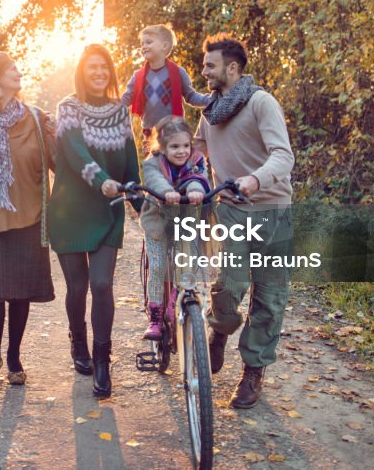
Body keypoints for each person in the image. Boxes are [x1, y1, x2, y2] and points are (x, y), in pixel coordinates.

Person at [194, 34, 294, 409]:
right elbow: (196, 151)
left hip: (273, 210)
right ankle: (219, 328)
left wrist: (256, 179)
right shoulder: (209, 111)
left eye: (210, 65)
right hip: (232, 208)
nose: (204, 71)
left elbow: (283, 156)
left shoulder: (261, 103)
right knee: (229, 285)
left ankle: (253, 370)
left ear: (232, 68)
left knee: (270, 299)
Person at [48, 44, 140, 398]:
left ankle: (103, 359)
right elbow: (74, 152)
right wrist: (101, 180)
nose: (99, 73)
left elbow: (131, 156)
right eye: (92, 68)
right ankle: (78, 341)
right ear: (82, 72)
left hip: (108, 209)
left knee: (102, 284)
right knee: (77, 287)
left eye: (104, 67)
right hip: (70, 210)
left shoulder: (120, 110)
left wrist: (138, 197)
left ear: (111, 73)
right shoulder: (68, 108)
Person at [0, 52, 56, 389]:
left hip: (30, 214)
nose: (19, 73)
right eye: (11, 70)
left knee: (20, 291)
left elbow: (57, 161)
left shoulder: (35, 118)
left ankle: (14, 356)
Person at [137, 115, 209, 340]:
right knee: (158, 267)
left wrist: (195, 189)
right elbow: (154, 179)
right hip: (158, 222)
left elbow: (198, 177)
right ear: (162, 147)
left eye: (186, 145)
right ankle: (156, 316)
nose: (181, 151)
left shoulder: (196, 160)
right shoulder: (152, 162)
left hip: (184, 221)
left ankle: (175, 299)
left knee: (186, 263)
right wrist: (167, 192)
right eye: (175, 146)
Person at [121, 24, 209, 140]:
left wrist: (209, 100)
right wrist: (109, 106)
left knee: (173, 157)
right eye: (142, 44)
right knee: (152, 158)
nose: (144, 46)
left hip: (174, 130)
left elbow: (191, 96)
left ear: (164, 46)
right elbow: (126, 98)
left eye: (149, 42)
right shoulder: (138, 76)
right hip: (150, 133)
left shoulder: (178, 73)